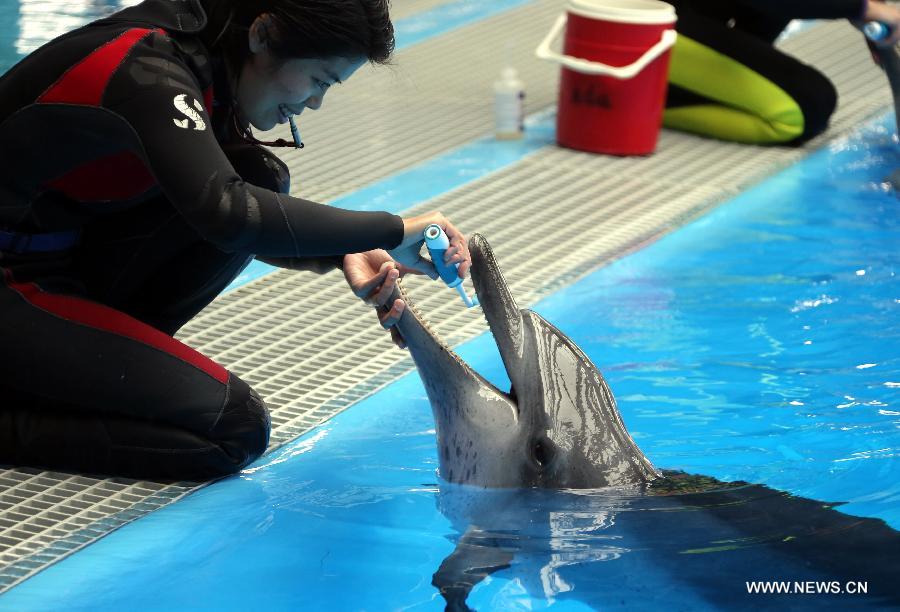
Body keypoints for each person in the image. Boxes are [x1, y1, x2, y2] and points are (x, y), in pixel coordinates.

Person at [0, 0, 471, 481]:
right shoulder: (143, 69)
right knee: (232, 429)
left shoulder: (208, 61)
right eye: (319, 81)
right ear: (263, 35)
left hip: (51, 262)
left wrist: (345, 249)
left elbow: (234, 208)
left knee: (256, 176)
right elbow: (227, 213)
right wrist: (392, 229)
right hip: (12, 281)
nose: (314, 104)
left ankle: (57, 367)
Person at [663, 0, 900, 144]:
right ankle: (644, 101)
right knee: (806, 106)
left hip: (689, 13)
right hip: (641, 24)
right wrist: (863, 8)